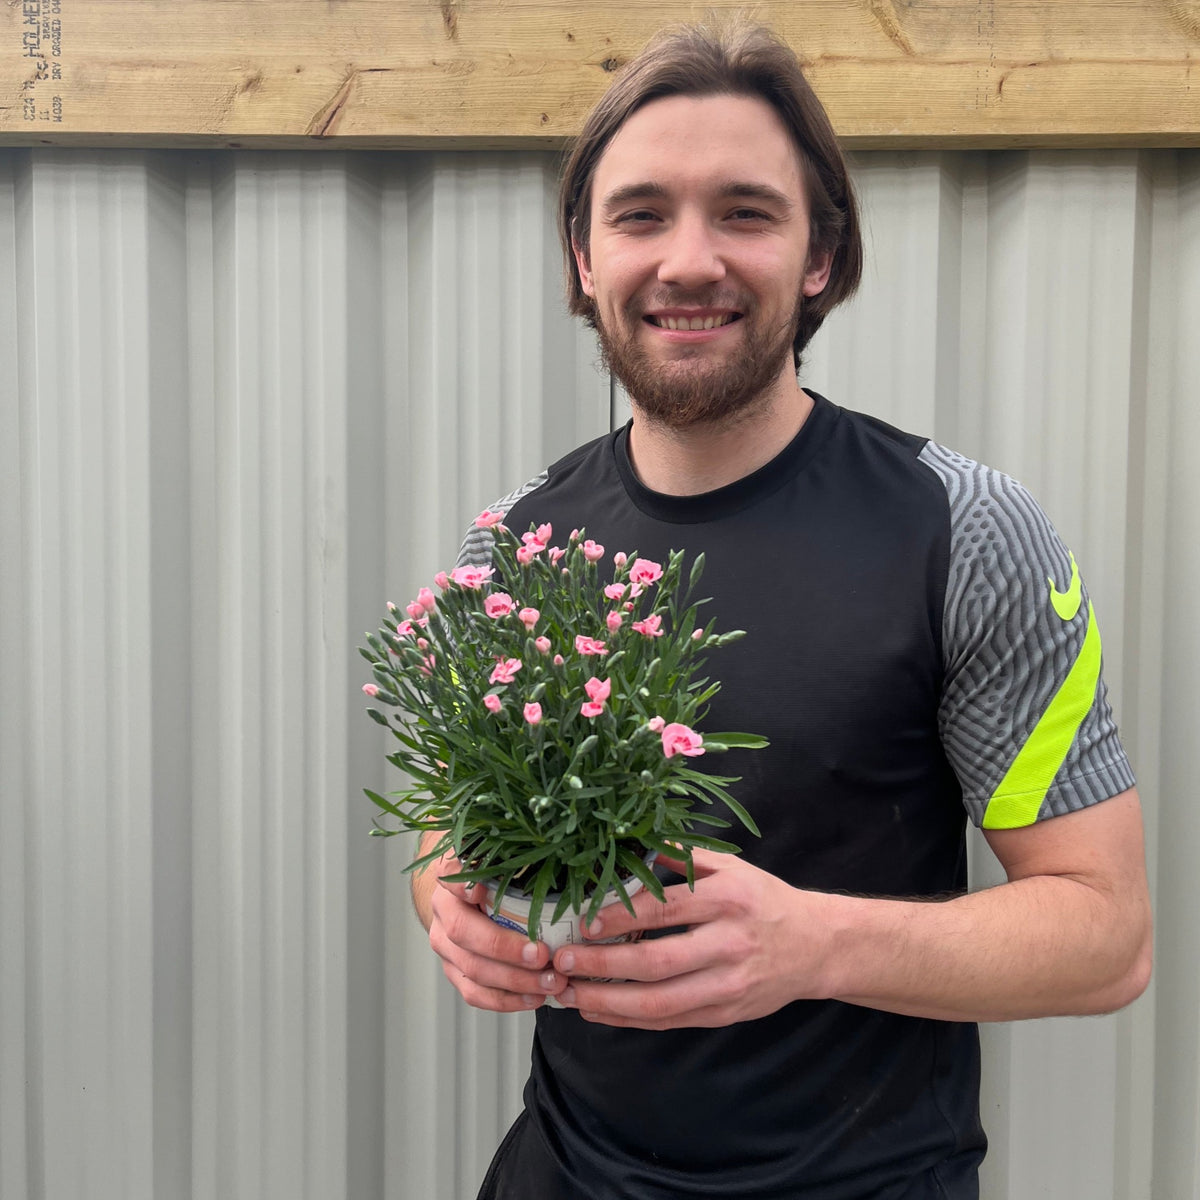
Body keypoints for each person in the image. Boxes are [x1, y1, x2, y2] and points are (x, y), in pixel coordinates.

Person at [410, 20, 1152, 1200]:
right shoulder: (511, 548)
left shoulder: (962, 532)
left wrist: (816, 946)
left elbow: (1107, 936)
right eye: (641, 213)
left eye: (745, 212)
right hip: (560, 1172)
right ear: (584, 258)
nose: (689, 259)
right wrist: (449, 901)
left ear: (821, 255)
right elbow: (454, 832)